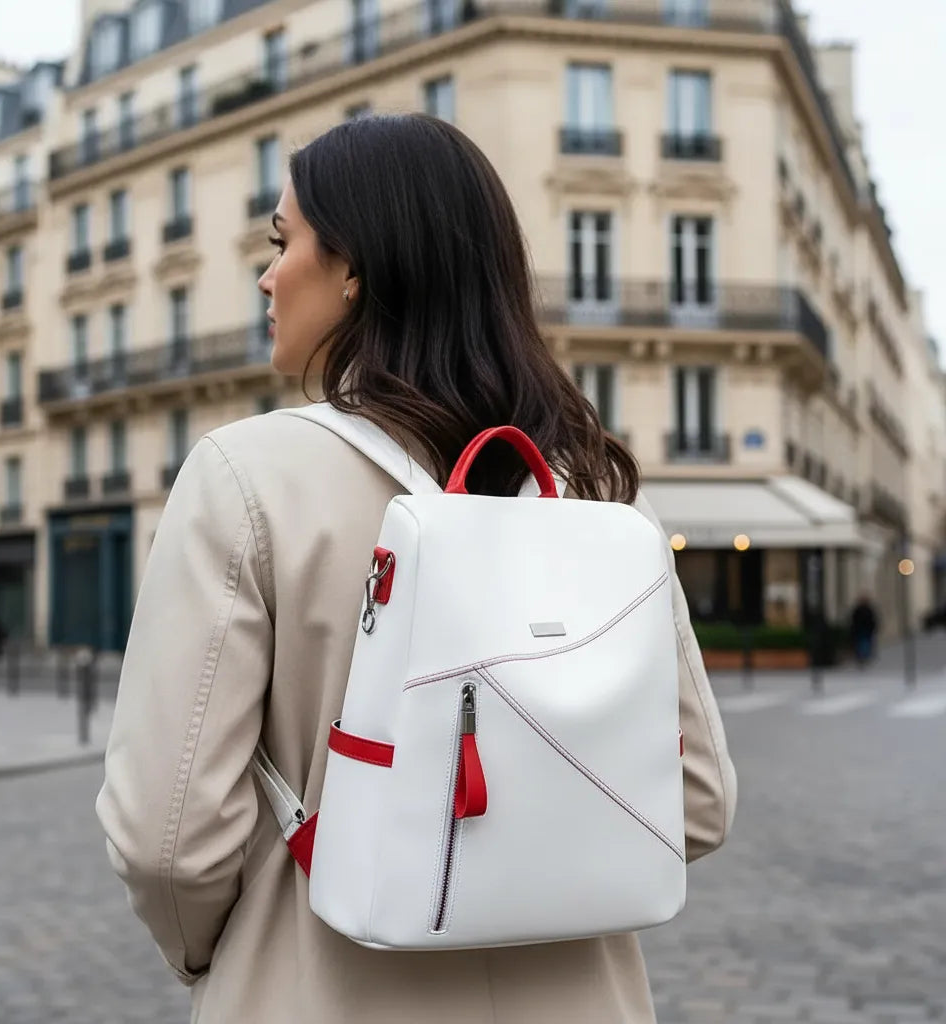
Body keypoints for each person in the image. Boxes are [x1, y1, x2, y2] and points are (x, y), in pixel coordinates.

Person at [96, 114, 737, 1024]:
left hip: (318, 989)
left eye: (285, 242)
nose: (268, 274)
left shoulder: (244, 478)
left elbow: (165, 838)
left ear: (355, 268)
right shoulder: (592, 493)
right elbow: (700, 802)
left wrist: (229, 952)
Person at [849, 594, 879, 665]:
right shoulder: (860, 610)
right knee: (861, 643)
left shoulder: (867, 610)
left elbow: (873, 619)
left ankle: (864, 656)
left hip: (866, 630)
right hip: (861, 630)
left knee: (865, 643)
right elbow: (854, 619)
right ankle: (862, 656)